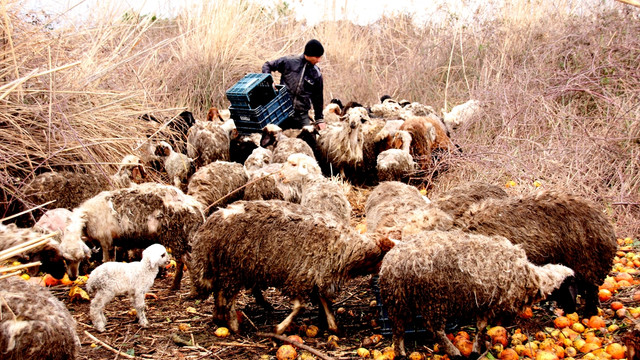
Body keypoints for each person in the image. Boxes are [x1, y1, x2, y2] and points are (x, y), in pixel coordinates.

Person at [262, 39, 326, 130]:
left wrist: (319, 119)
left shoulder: (316, 74)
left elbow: (318, 98)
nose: (319, 60)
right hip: (282, 112)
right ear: (309, 54)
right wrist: (269, 81)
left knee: (310, 141)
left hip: (301, 115)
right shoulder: (289, 62)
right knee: (274, 140)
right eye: (317, 57)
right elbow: (267, 65)